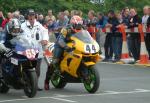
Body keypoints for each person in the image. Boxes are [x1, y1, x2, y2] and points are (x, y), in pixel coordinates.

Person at [44, 15, 84, 90]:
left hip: (74, 44)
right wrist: (65, 47)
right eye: (78, 25)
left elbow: (87, 37)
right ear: (73, 24)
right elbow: (60, 40)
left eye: (80, 25)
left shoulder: (82, 29)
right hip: (61, 45)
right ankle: (46, 81)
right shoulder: (66, 29)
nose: (79, 26)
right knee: (54, 61)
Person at [21, 9, 49, 91]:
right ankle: (26, 83)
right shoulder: (22, 25)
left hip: (37, 50)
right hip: (26, 50)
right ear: (27, 16)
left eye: (33, 15)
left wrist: (45, 39)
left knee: (37, 69)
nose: (31, 17)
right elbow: (19, 35)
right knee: (26, 68)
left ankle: (34, 85)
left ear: (35, 16)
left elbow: (45, 32)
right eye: (30, 15)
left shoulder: (39, 25)